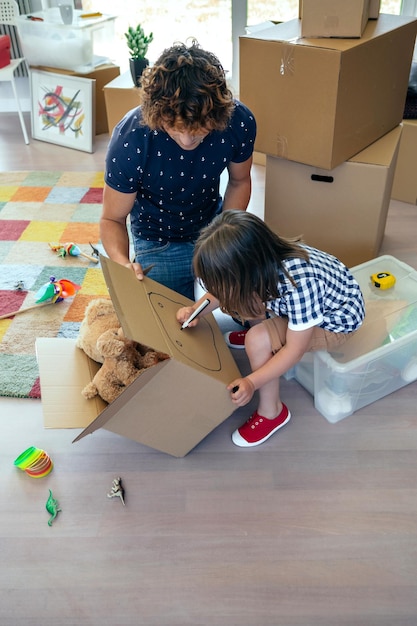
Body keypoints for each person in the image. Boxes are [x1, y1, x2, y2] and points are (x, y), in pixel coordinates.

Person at [176, 210, 365, 448]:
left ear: (247, 272)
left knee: (256, 340)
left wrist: (252, 382)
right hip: (303, 307)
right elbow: (224, 288)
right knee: (246, 304)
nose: (217, 290)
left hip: (335, 323)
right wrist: (195, 310)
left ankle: (272, 412)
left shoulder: (300, 284)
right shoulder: (261, 260)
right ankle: (267, 337)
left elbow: (294, 351)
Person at [100, 41, 256, 301]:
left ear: (217, 117)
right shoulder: (131, 139)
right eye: (175, 128)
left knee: (253, 299)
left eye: (198, 131)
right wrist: (122, 264)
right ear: (156, 115)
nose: (186, 141)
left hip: (212, 226)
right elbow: (112, 219)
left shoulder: (238, 121)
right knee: (170, 327)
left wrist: (227, 238)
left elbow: (239, 182)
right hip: (157, 238)